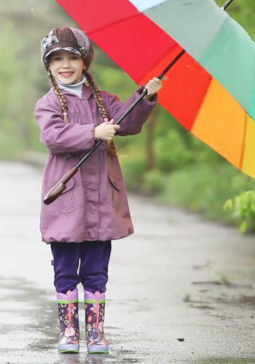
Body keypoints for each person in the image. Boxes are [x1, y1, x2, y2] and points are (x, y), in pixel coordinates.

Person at [34, 27, 162, 354]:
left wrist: (144, 96)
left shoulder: (104, 101)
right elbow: (54, 137)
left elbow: (128, 122)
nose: (65, 64)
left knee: (96, 269)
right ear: (49, 66)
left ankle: (94, 332)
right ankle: (68, 333)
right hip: (67, 201)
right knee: (65, 269)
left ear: (84, 62)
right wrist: (94, 132)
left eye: (72, 58)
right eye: (57, 59)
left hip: (101, 201)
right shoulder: (48, 104)